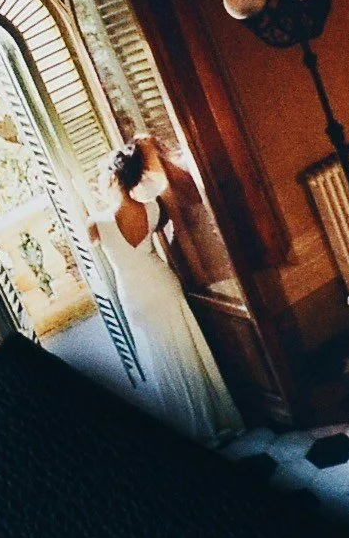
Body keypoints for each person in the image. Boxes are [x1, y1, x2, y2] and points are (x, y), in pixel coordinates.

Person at [86, 139, 243, 443]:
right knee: (189, 349)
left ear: (114, 178)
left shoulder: (95, 224)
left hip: (134, 294)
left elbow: (98, 243)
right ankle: (215, 418)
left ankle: (187, 431)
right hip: (162, 283)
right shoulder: (154, 208)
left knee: (161, 360)